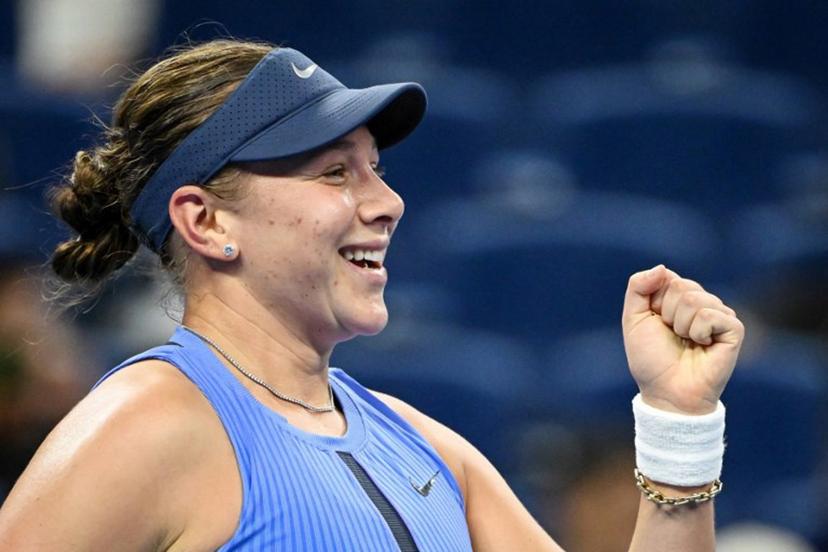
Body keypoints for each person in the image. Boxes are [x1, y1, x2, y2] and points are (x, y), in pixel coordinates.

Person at [0, 39, 744, 551]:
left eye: (375, 168)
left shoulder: (430, 449)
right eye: (335, 172)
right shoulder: (145, 428)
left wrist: (679, 423)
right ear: (207, 221)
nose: (387, 202)